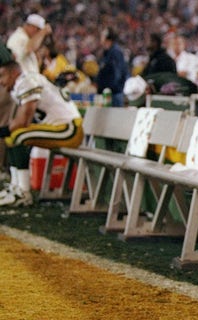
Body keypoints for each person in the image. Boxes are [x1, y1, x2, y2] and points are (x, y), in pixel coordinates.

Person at [0, 42, 83, 207]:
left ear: (13, 73)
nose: (1, 82)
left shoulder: (26, 82)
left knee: (17, 135)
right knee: (14, 135)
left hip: (68, 129)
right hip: (59, 128)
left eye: (2, 76)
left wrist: (2, 131)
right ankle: (16, 187)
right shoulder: (24, 82)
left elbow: (23, 121)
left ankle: (23, 192)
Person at [96, 27, 129, 107]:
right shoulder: (107, 52)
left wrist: (113, 87)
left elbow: (118, 73)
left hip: (114, 93)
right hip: (108, 92)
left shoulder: (115, 52)